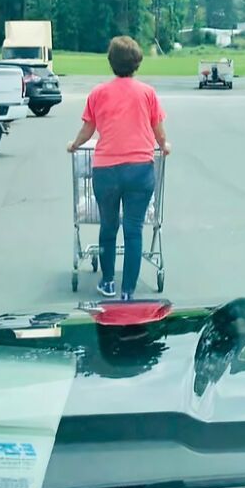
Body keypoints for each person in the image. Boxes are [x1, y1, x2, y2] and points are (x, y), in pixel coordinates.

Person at [68, 36, 171, 301]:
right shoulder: (147, 93)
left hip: (107, 171)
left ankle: (108, 282)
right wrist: (164, 145)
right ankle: (128, 291)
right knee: (134, 228)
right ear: (137, 63)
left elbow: (88, 129)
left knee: (108, 226)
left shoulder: (98, 93)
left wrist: (75, 144)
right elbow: (157, 128)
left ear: (111, 62)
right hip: (140, 169)